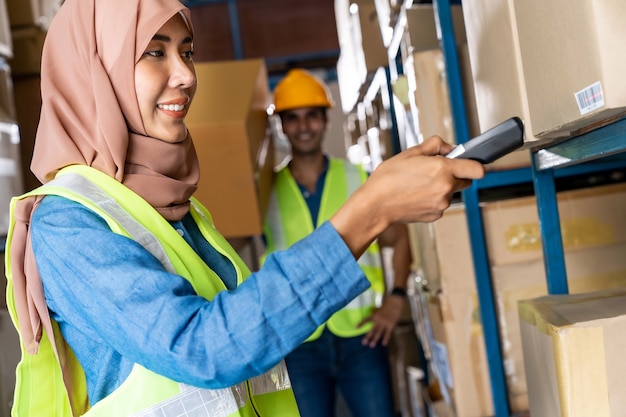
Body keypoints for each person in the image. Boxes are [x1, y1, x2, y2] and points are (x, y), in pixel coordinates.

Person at [3, 0, 484, 416]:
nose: (186, 75)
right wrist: (372, 210)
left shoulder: (175, 205)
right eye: (155, 51)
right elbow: (202, 348)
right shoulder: (67, 224)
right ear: (95, 71)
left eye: (187, 51)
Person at [262, 68, 411, 417]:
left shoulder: (358, 179)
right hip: (299, 340)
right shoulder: (264, 193)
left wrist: (396, 299)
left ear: (325, 119)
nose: (303, 127)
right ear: (282, 126)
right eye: (293, 118)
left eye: (311, 115)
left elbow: (399, 238)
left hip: (362, 337)